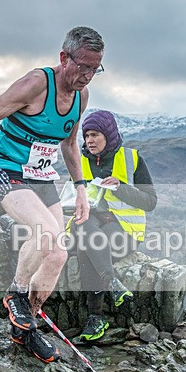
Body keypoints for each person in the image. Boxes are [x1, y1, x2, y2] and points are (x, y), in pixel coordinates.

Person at [0, 26, 105, 363]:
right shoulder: (36, 84)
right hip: (8, 172)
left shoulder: (81, 96)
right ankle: (15, 293)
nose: (87, 76)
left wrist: (81, 190)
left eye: (95, 68)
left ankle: (25, 328)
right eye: (83, 66)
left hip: (43, 178)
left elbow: (70, 144)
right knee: (44, 235)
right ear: (64, 58)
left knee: (57, 255)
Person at [70, 110, 157, 342]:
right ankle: (111, 283)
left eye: (95, 134)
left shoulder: (132, 159)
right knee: (83, 225)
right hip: (91, 225)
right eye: (86, 135)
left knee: (87, 246)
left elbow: (151, 202)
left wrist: (121, 187)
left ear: (108, 134)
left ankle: (95, 317)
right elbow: (73, 197)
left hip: (124, 232)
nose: (89, 140)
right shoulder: (79, 162)